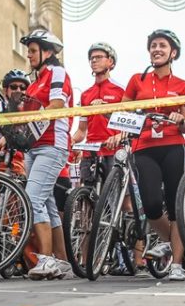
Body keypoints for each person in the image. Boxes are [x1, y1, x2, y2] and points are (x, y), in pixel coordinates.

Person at [110, 29, 185, 282]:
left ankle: (177, 264)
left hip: (173, 146)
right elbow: (122, 113)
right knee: (152, 204)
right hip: (144, 147)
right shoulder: (137, 80)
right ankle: (172, 241)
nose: (157, 49)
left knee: (176, 205)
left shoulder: (182, 85)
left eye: (162, 46)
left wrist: (180, 120)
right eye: (153, 46)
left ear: (173, 53)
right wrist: (118, 133)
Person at [14, 28, 73, 280]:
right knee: (47, 206)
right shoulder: (35, 80)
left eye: (33, 50)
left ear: (47, 51)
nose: (29, 55)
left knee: (32, 200)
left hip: (52, 144)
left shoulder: (56, 73)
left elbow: (57, 104)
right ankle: (62, 261)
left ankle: (46, 259)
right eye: (28, 51)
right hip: (34, 147)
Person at [72, 42, 123, 187]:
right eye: (92, 58)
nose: (94, 60)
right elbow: (82, 130)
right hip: (91, 152)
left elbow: (130, 124)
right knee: (87, 198)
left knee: (116, 198)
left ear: (110, 61)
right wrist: (71, 140)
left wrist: (118, 136)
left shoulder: (120, 90)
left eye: (99, 57)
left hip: (112, 150)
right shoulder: (86, 94)